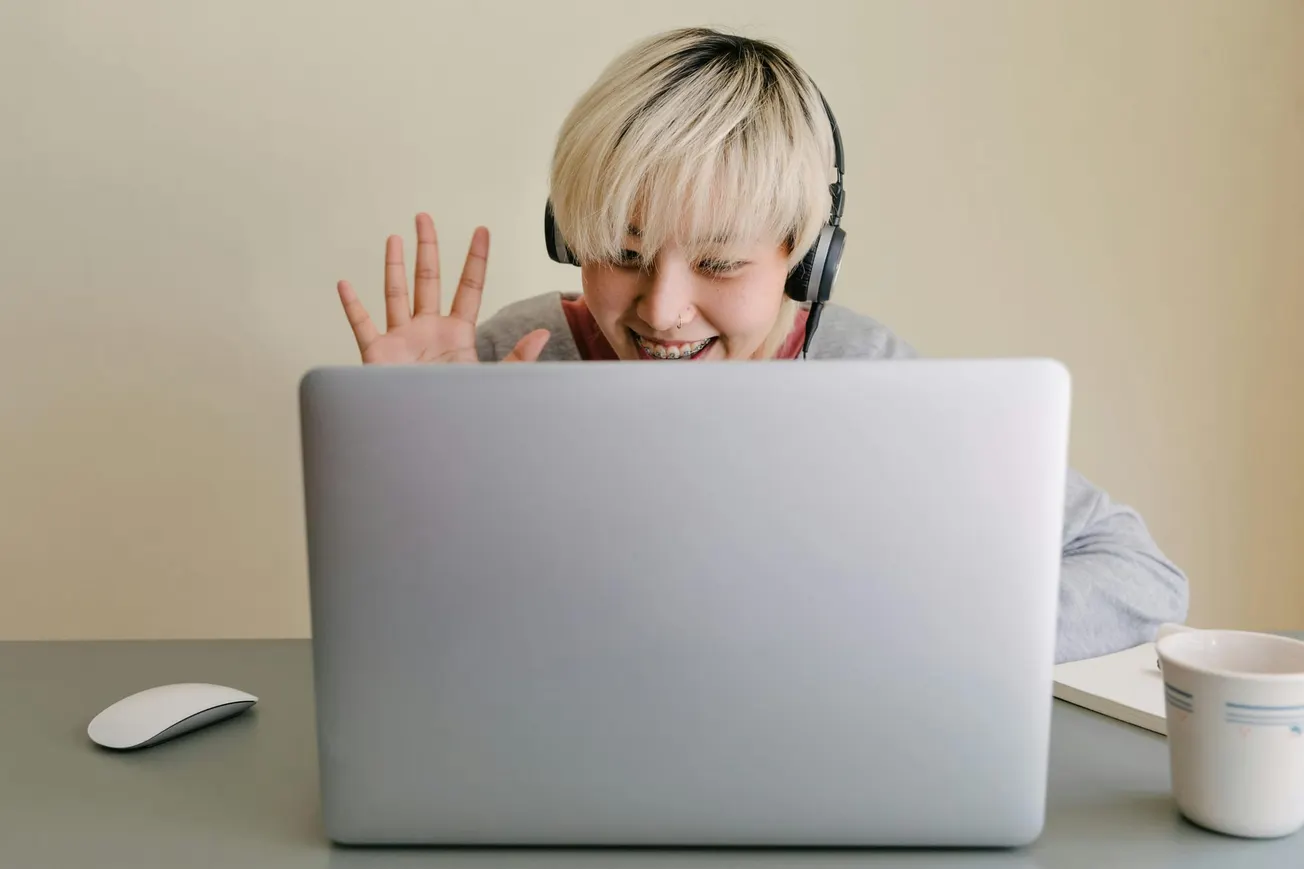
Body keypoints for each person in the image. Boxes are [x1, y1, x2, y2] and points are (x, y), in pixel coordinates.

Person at [334, 26, 1189, 663]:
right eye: (624, 254)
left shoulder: (872, 378)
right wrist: (409, 466)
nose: (663, 309)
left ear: (804, 257)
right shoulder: (505, 361)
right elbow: (414, 635)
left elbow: (1140, 574)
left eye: (718, 262)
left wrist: (916, 627)